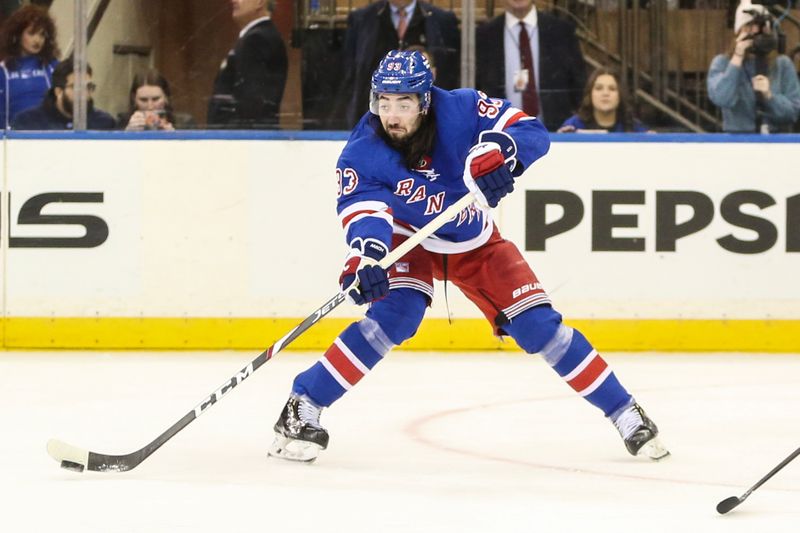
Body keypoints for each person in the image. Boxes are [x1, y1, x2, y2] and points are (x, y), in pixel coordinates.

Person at [267, 50, 669, 465]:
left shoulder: (461, 108)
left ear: (424, 101)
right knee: (394, 317)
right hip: (410, 240)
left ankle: (626, 412)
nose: (392, 115)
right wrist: (367, 258)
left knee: (538, 327)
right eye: (383, 102)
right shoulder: (362, 151)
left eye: (403, 103)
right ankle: (303, 405)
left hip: (472, 239)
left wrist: (500, 150)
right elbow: (366, 212)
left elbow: (532, 131)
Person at [334, 0, 460, 128]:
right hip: (372, 120)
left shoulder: (443, 21)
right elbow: (349, 75)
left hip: (431, 123)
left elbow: (451, 76)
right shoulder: (361, 19)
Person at [476, 0, 586, 132]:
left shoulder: (561, 31)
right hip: (501, 136)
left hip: (556, 135)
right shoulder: (485, 35)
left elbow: (578, 83)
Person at [707, 0, 800, 133]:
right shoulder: (722, 63)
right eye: (749, 26)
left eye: (760, 27)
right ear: (738, 32)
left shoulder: (782, 64)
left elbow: (792, 114)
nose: (755, 31)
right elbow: (722, 98)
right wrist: (737, 58)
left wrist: (770, 97)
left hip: (776, 142)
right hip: (738, 141)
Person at [207, 0, 287, 129]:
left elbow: (251, 105)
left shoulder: (257, 39)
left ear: (260, 2)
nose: (234, 1)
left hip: (242, 141)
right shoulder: (256, 36)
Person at [0, 4, 59, 128]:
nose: (37, 40)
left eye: (42, 34)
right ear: (18, 34)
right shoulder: (3, 70)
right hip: (12, 141)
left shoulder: (53, 67)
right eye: (31, 33)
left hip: (50, 138)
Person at [12, 60, 115, 130]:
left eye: (88, 87)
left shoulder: (104, 123)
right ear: (58, 91)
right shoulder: (28, 123)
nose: (84, 94)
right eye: (77, 87)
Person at [557, 67, 651, 133]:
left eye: (612, 89)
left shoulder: (633, 128)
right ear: (590, 95)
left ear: (620, 96)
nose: (605, 93)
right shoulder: (573, 126)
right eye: (599, 88)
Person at [120, 69, 194, 131]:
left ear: (166, 98)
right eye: (143, 100)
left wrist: (174, 137)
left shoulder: (184, 123)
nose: (150, 106)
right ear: (134, 100)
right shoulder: (123, 122)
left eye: (156, 99)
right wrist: (127, 134)